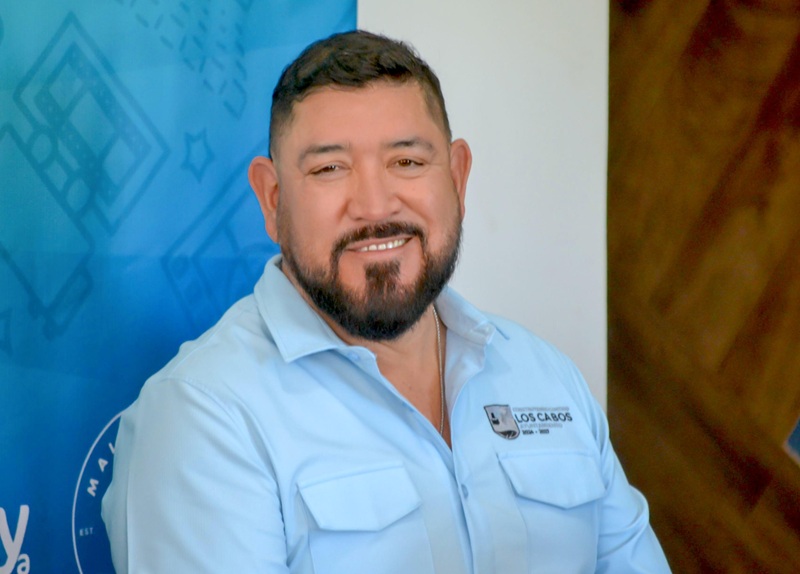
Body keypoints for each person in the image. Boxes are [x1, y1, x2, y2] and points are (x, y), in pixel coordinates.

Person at [102, 30, 671, 573]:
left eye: (407, 162)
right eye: (330, 168)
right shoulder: (204, 417)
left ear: (457, 178)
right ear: (272, 200)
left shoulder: (546, 376)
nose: (375, 206)